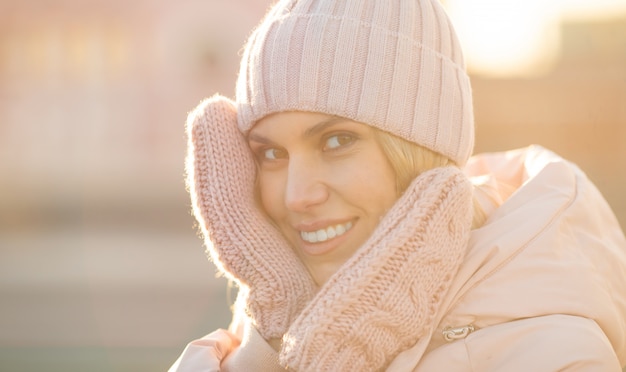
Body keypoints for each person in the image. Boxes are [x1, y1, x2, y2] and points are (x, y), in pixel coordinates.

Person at [170, 0, 626, 370]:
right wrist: (270, 333)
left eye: (337, 141)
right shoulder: (270, 320)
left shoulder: (556, 354)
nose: (296, 195)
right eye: (271, 153)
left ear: (422, 151)